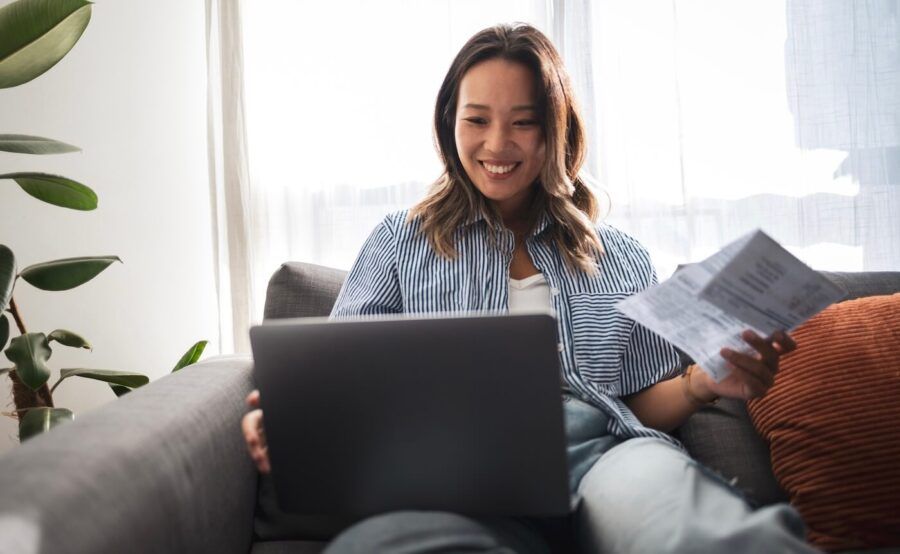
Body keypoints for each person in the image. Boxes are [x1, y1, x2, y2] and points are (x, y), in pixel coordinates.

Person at [242, 23, 816, 553]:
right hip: (457, 480)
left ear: (555, 128)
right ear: (450, 124)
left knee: (698, 532)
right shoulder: (399, 240)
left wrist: (699, 384)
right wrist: (291, 427)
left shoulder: (616, 254)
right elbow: (344, 385)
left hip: (607, 462)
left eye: (523, 120)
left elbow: (633, 399)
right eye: (477, 119)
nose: (498, 143)